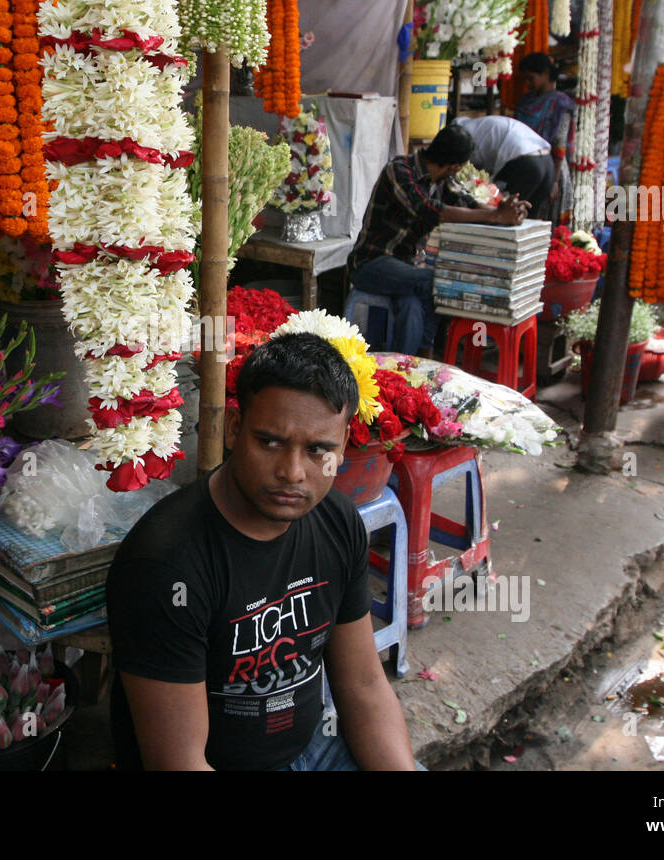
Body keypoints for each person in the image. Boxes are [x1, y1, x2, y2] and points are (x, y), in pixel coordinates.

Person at [107, 333, 422, 771]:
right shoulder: (165, 567)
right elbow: (179, 763)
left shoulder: (338, 521)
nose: (292, 472)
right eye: (270, 441)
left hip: (319, 747)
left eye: (317, 450)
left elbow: (365, 686)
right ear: (235, 429)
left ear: (343, 445)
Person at [346, 123, 528, 356]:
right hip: (370, 264)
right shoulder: (399, 171)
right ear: (455, 166)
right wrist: (495, 215)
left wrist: (504, 210)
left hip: (405, 269)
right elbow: (432, 210)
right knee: (434, 280)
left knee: (412, 305)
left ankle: (404, 370)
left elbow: (469, 204)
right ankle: (426, 352)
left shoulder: (443, 180)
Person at [513, 52, 575, 225]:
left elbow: (559, 145)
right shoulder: (524, 101)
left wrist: (553, 181)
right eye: (524, 79)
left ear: (546, 74)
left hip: (552, 169)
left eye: (530, 78)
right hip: (524, 166)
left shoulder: (560, 103)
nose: (527, 84)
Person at [453, 114, 556, 210]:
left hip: (527, 162)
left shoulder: (463, 135)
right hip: (547, 161)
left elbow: (468, 169)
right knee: (528, 218)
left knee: (506, 214)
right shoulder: (479, 125)